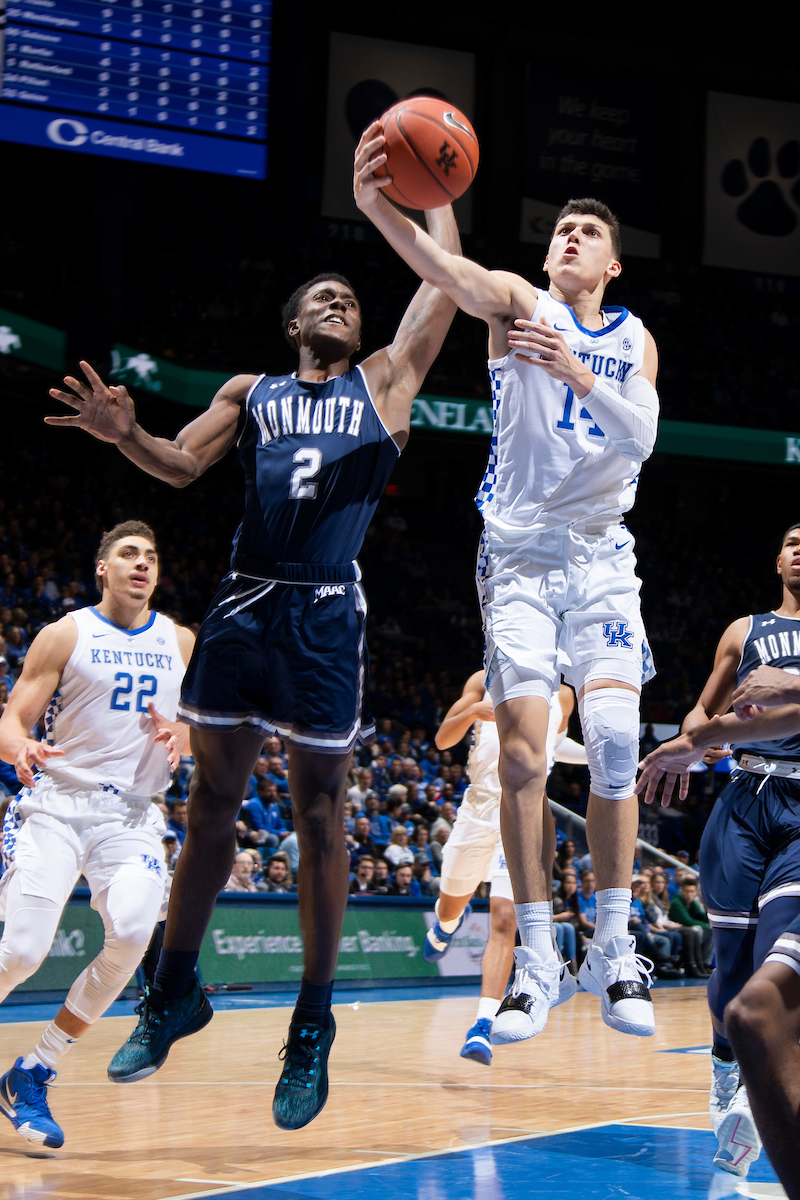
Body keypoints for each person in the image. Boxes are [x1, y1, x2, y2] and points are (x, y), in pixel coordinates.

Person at [47, 208, 461, 1132]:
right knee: (209, 809)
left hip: (322, 612)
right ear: (292, 327)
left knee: (320, 815)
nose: (341, 301)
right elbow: (181, 463)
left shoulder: (387, 382)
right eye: (323, 296)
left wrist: (427, 198)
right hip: (243, 603)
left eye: (351, 298)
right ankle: (174, 991)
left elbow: (443, 282)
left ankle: (312, 1024)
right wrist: (124, 436)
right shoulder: (251, 390)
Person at [355, 123, 659, 1045]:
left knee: (611, 739)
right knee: (524, 759)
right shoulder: (520, 304)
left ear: (611, 266)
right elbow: (449, 275)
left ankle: (614, 944)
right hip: (521, 559)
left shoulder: (638, 338)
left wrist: (576, 373)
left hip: (603, 558)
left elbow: (642, 437)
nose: (568, 237)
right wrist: (382, 207)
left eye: (586, 233)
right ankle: (537, 958)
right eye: (560, 229)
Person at [0, 521, 193, 1148]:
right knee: (22, 953)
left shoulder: (182, 641)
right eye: (128, 554)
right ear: (102, 569)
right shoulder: (67, 633)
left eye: (151, 557)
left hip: (133, 814)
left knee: (136, 932)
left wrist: (192, 733)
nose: (141, 564)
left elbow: (211, 723)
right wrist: (19, 745)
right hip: (57, 803)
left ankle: (33, 1072)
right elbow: (13, 718)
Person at [636, 522, 800, 1179]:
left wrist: (781, 694)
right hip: (742, 799)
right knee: (730, 969)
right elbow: (699, 713)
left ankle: (760, 1109)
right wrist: (693, 739)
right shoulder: (744, 629)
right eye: (792, 540)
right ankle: (725, 1065)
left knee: (774, 970)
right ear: (776, 557)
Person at [425, 670, 585, 1063]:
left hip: (522, 812)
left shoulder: (563, 696)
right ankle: (448, 923)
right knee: (450, 905)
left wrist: (598, 753)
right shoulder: (483, 680)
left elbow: (555, 743)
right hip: (477, 810)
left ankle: (481, 1025)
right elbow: (443, 739)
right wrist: (474, 711)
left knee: (503, 919)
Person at [722, 660, 800, 1199]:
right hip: (762, 804)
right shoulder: (747, 634)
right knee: (751, 1012)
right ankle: (722, 1084)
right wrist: (697, 734)